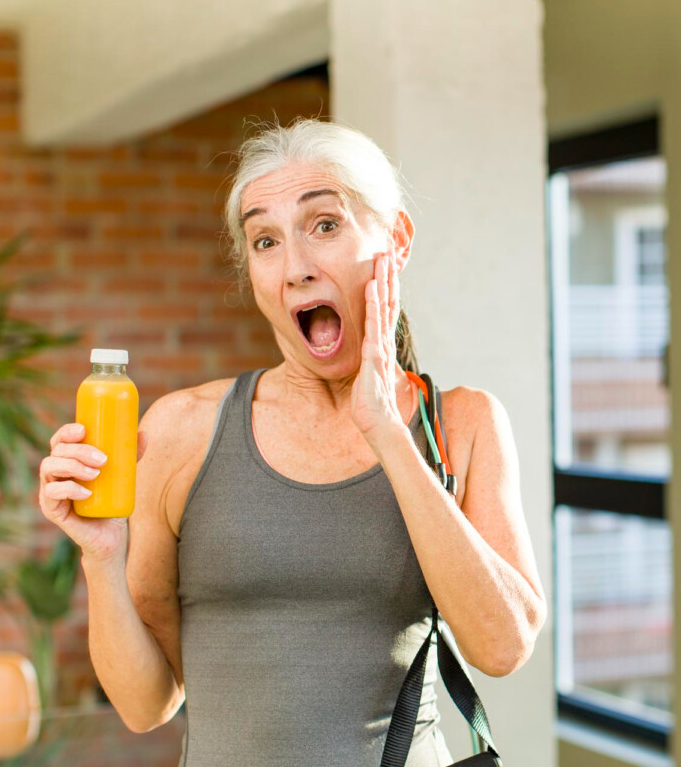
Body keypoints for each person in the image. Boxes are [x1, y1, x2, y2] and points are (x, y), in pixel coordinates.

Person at [37, 117, 547, 766]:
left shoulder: (463, 424)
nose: (297, 268)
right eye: (266, 240)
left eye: (325, 225)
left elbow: (502, 646)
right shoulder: (180, 431)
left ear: (397, 239)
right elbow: (146, 703)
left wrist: (388, 432)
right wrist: (102, 557)